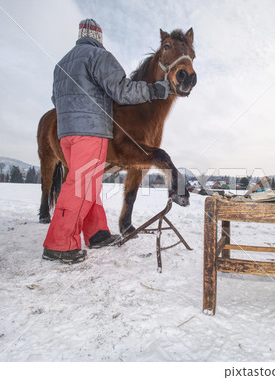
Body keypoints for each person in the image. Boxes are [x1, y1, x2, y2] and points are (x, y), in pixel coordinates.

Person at [42, 19, 172, 264]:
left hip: (66, 133)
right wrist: (154, 90)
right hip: (90, 131)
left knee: (88, 184)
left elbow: (55, 98)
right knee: (80, 186)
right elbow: (122, 91)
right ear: (98, 37)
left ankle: (97, 233)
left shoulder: (61, 64)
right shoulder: (99, 56)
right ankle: (59, 244)